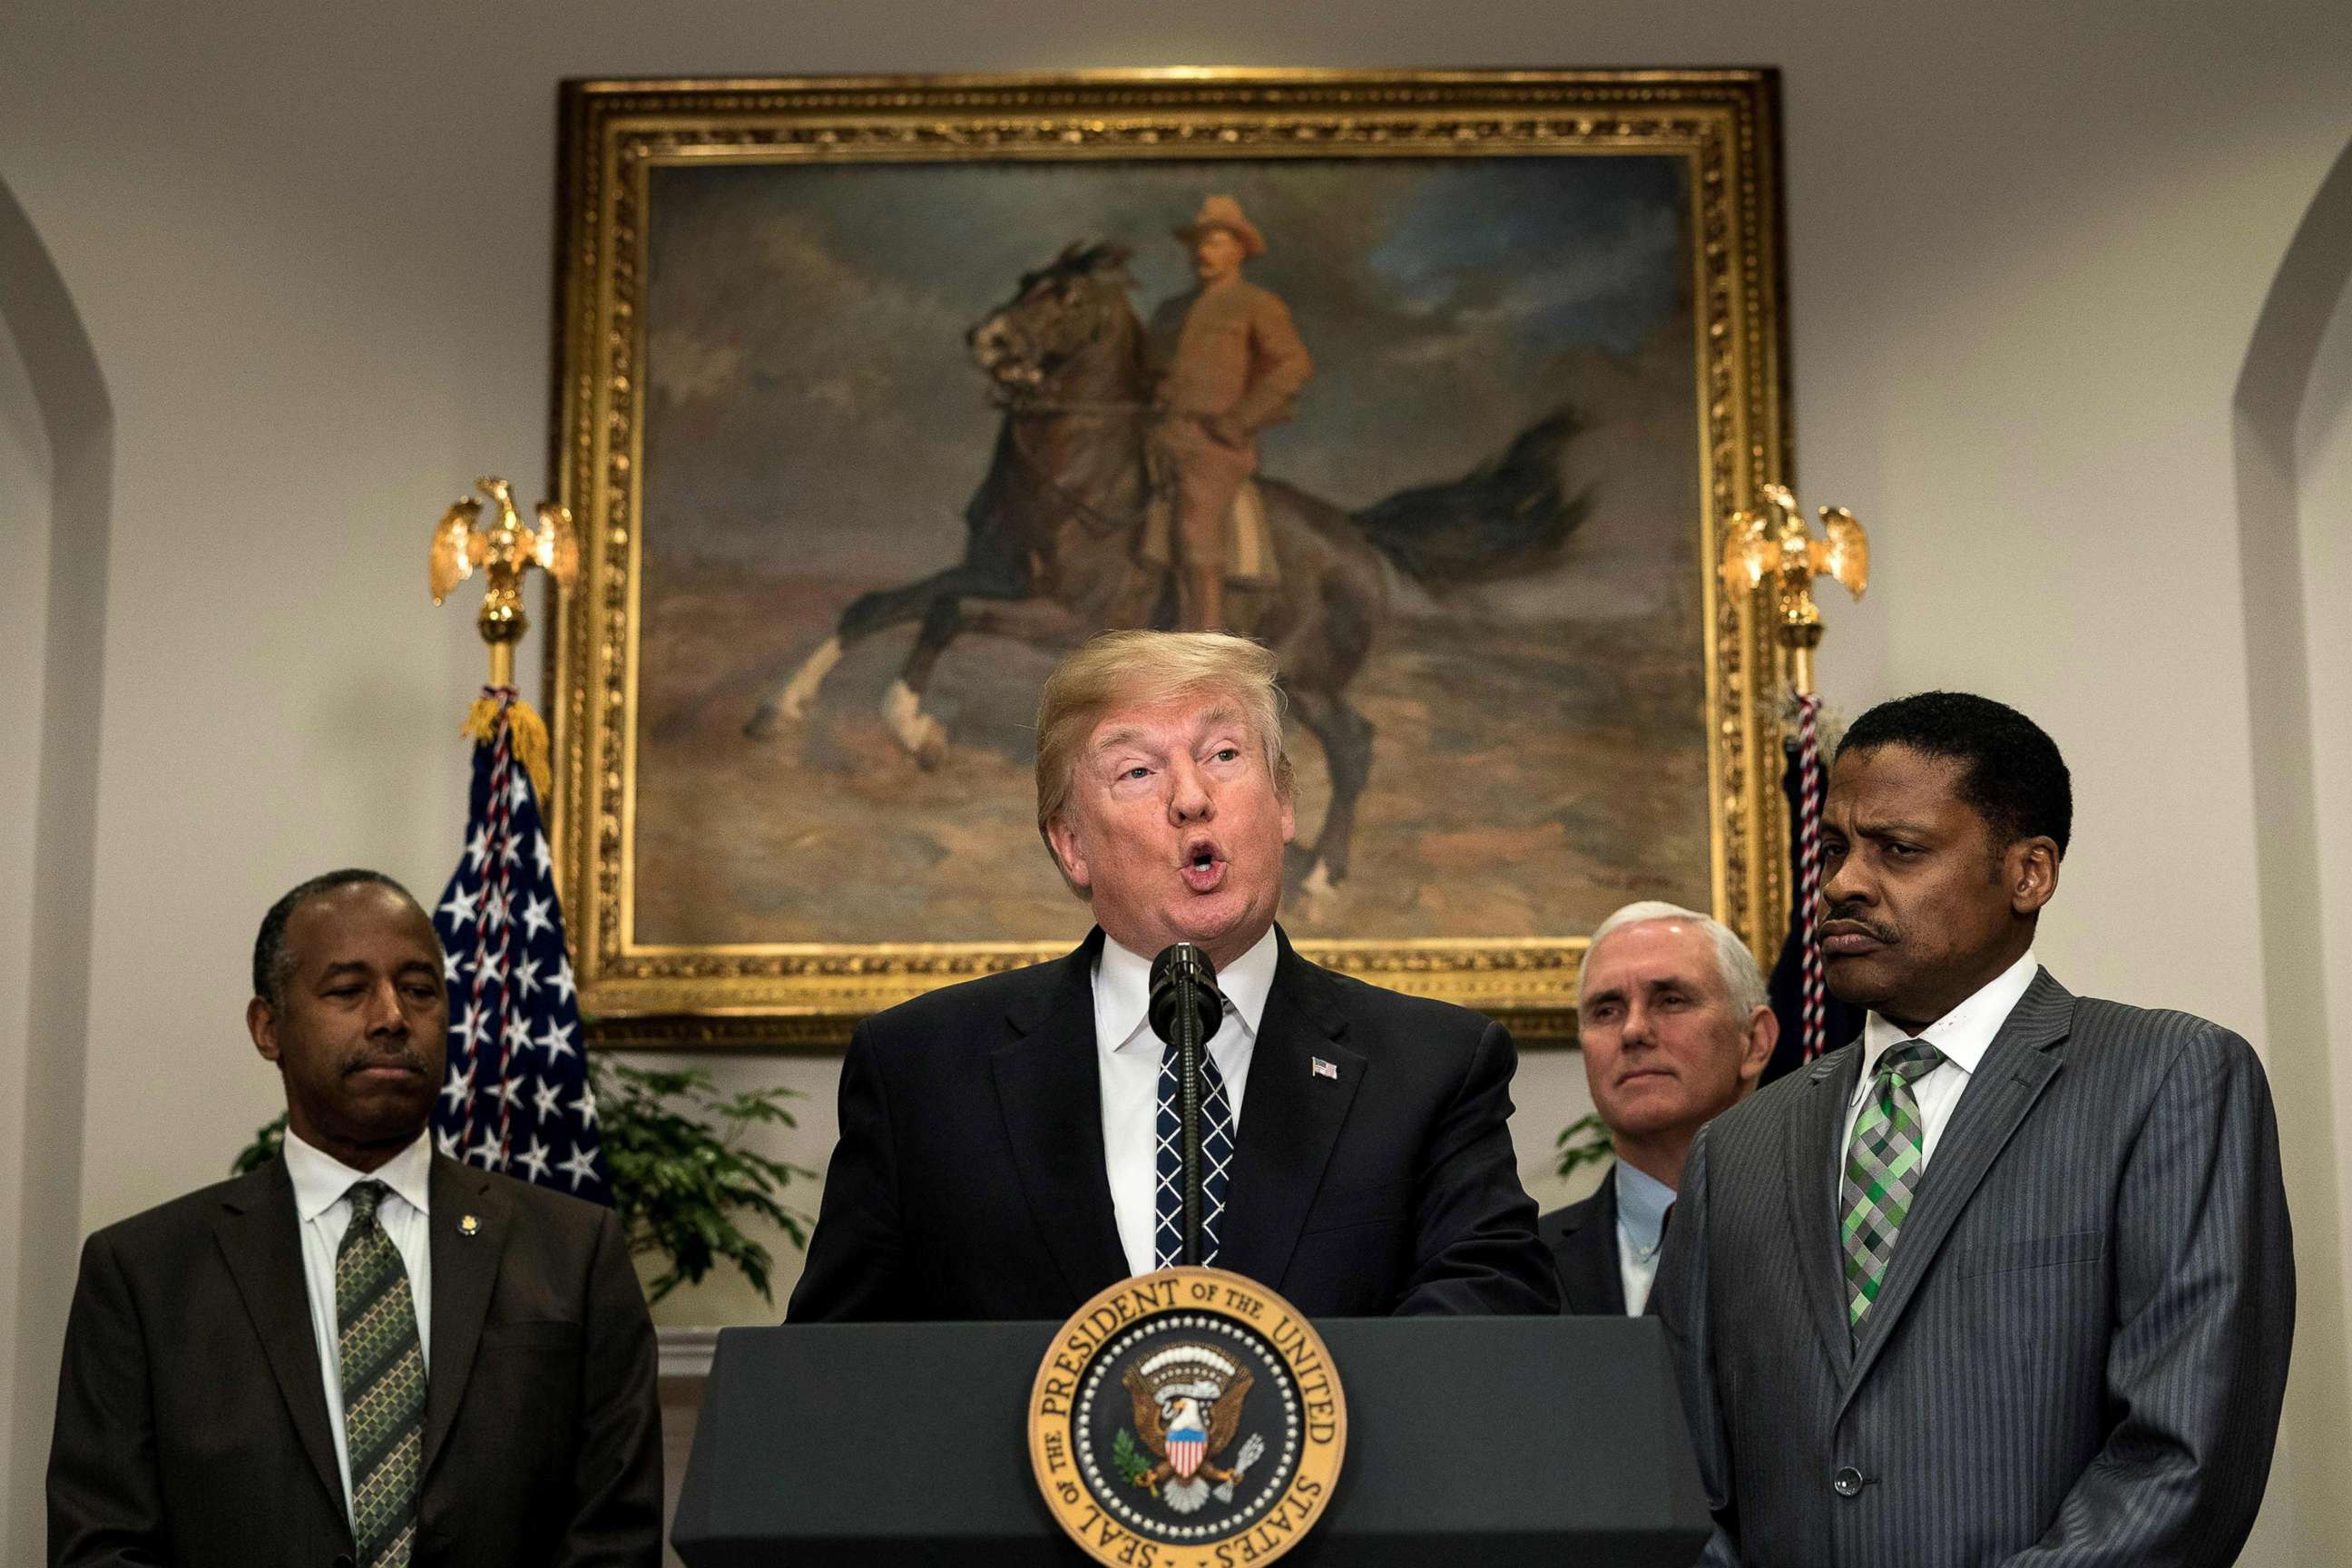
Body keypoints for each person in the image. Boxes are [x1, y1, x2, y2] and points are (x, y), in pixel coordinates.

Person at [1655, 692, 2294, 1568]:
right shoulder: (1738, 1146)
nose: (1842, 882)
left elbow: (2183, 1457)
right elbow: (1682, 1475)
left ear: (2029, 872)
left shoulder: (2168, 1079)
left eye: (1899, 850)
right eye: (1834, 849)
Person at [789, 630, 1556, 1319]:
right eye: (1136, 771)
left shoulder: (1433, 1068)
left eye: (1224, 756)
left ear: (1285, 802)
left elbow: (1491, 1328)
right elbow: (835, 1382)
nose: (1192, 798)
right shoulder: (921, 1070)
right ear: (1071, 846)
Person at [48, 870, 662, 1568]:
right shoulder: (144, 1275)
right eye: (347, 990)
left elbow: (615, 1537)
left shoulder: (575, 1251)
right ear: (268, 1028)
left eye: (421, 990)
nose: (393, 1016)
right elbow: (102, 1544)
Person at [1539, 902, 1774, 1314]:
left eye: (1670, 1001)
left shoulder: (1839, 1240)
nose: (1632, 1031)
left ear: (1754, 1041)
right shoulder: (1520, 1268)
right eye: (1606, 1010)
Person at [1143, 196, 1313, 633]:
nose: (1204, 253)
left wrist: (1238, 421)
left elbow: (1292, 367)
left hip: (1212, 443)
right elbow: (1147, 371)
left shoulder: (1256, 304)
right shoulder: (1171, 310)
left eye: (1217, 243)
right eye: (1200, 243)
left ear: (1240, 250)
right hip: (1159, 435)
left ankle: (1204, 637)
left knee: (1195, 532)